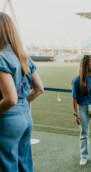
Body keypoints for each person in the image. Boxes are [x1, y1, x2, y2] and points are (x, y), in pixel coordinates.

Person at [0, 12, 44, 172]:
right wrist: (22, 104)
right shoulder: (23, 57)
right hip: (25, 117)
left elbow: (10, 99)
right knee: (24, 165)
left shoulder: (1, 58)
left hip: (7, 120)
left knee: (6, 166)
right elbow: (39, 89)